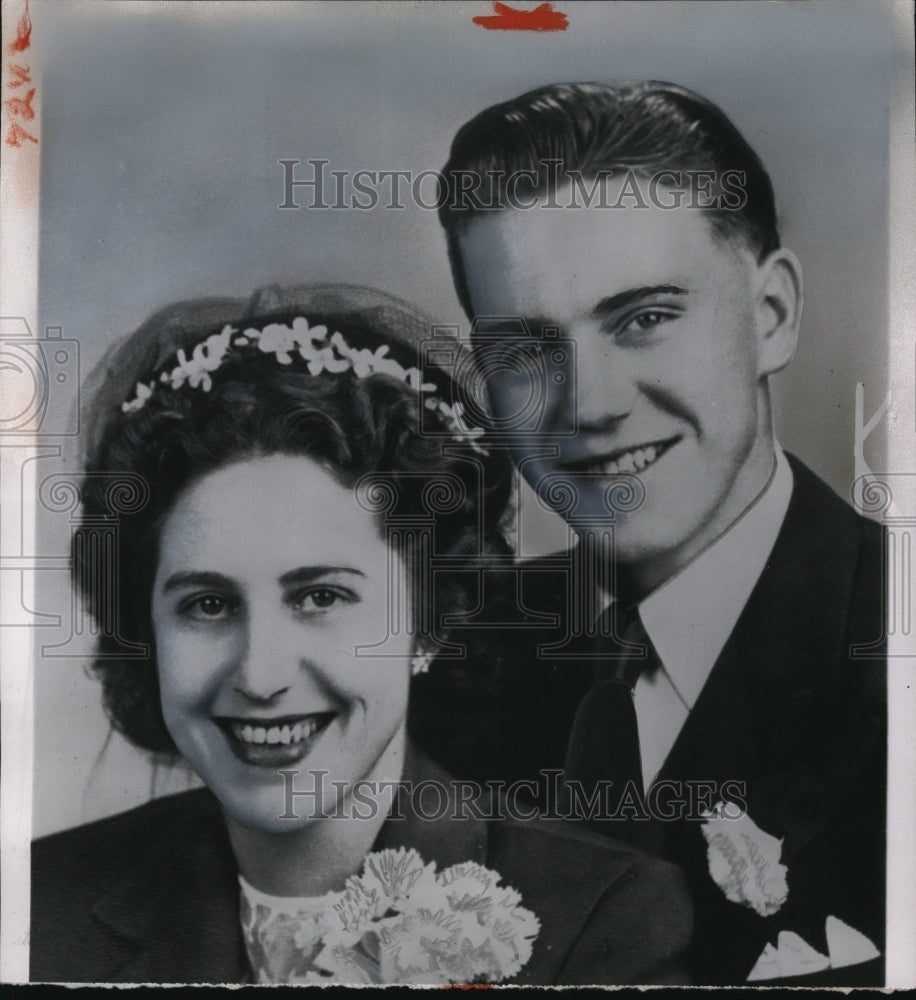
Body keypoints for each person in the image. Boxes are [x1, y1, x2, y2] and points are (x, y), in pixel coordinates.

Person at [30, 283, 692, 985]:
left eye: (321, 596)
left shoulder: (602, 921)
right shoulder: (37, 904)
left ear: (430, 620)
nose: (260, 675)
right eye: (207, 605)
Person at [435, 81, 887, 986]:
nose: (590, 406)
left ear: (773, 316)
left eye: (643, 319)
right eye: (524, 353)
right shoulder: (444, 662)